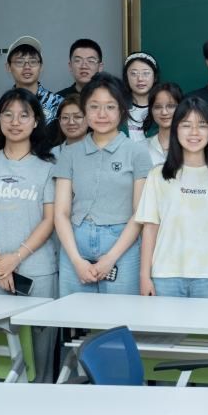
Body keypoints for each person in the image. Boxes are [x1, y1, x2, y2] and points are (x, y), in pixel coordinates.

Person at [0, 88, 59, 382]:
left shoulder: (48, 168)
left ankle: (40, 400)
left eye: (23, 115)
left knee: (41, 348)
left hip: (37, 270)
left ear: (36, 122)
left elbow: (50, 220)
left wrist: (15, 258)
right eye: (8, 114)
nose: (15, 122)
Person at [53, 73, 154, 296]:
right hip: (75, 244)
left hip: (122, 245)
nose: (101, 114)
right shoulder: (70, 154)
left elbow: (139, 213)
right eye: (94, 106)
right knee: (75, 314)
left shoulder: (137, 152)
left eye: (110, 107)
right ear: (85, 110)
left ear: (122, 110)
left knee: (119, 313)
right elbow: (61, 213)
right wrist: (76, 261)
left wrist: (110, 258)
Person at [137, 97, 208, 299]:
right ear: (176, 130)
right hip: (165, 276)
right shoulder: (159, 175)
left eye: (202, 125)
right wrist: (144, 276)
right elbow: (150, 228)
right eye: (186, 125)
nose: (194, 132)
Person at [0, 36, 62, 128]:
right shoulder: (2, 106)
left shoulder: (58, 103)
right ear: (8, 67)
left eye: (33, 61)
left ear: (41, 66)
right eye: (20, 62)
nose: (27, 67)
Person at [143, 83, 183, 166]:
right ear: (151, 110)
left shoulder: (193, 145)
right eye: (158, 107)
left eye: (171, 106)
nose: (164, 112)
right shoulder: (140, 148)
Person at [123, 52, 158, 141]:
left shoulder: (161, 108)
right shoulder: (118, 106)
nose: (140, 79)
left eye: (146, 73)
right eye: (134, 74)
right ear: (126, 77)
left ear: (155, 77)